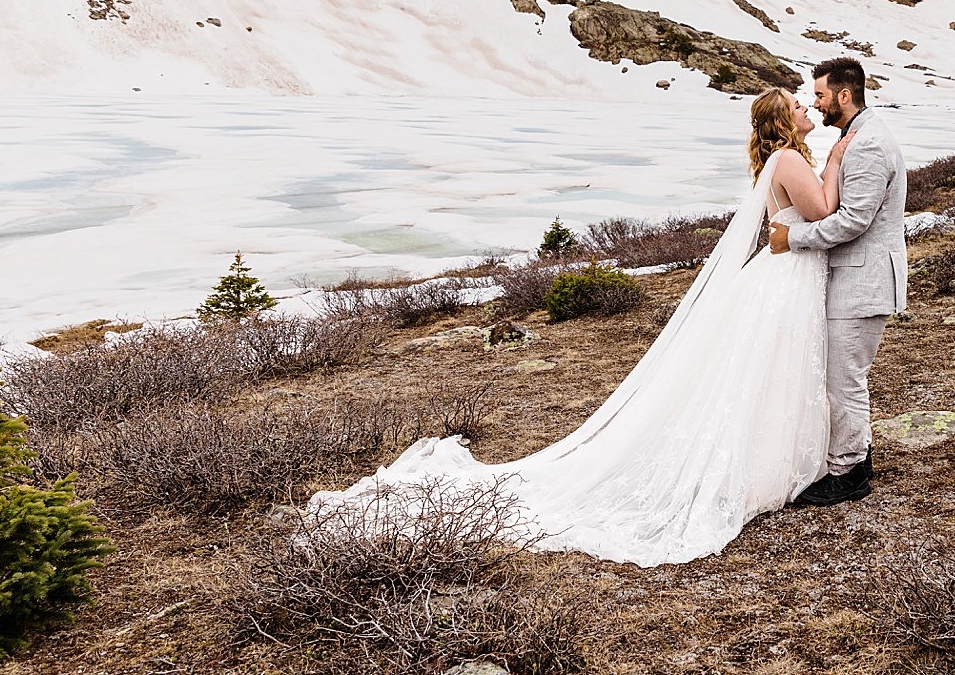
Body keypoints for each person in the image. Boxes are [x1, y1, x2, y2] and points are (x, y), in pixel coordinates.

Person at [305, 88, 843, 567]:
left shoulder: (781, 159)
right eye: (798, 105)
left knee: (773, 365)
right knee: (777, 363)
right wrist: (839, 159)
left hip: (784, 270)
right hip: (786, 273)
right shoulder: (790, 159)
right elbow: (821, 210)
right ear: (782, 121)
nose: (806, 108)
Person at [768, 56, 907, 508]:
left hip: (863, 281)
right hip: (855, 278)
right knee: (843, 377)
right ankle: (855, 459)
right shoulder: (856, 137)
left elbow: (853, 222)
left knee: (845, 380)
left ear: (844, 96)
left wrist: (794, 238)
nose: (816, 102)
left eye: (822, 95)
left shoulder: (867, 144)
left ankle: (848, 473)